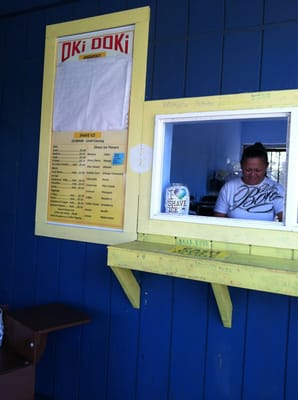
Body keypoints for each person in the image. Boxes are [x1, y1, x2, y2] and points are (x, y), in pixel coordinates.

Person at [213, 142, 284, 221]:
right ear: (241, 165)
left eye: (257, 170)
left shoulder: (276, 189)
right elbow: (218, 218)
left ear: (266, 166)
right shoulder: (229, 187)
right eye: (248, 170)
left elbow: (284, 219)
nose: (252, 174)